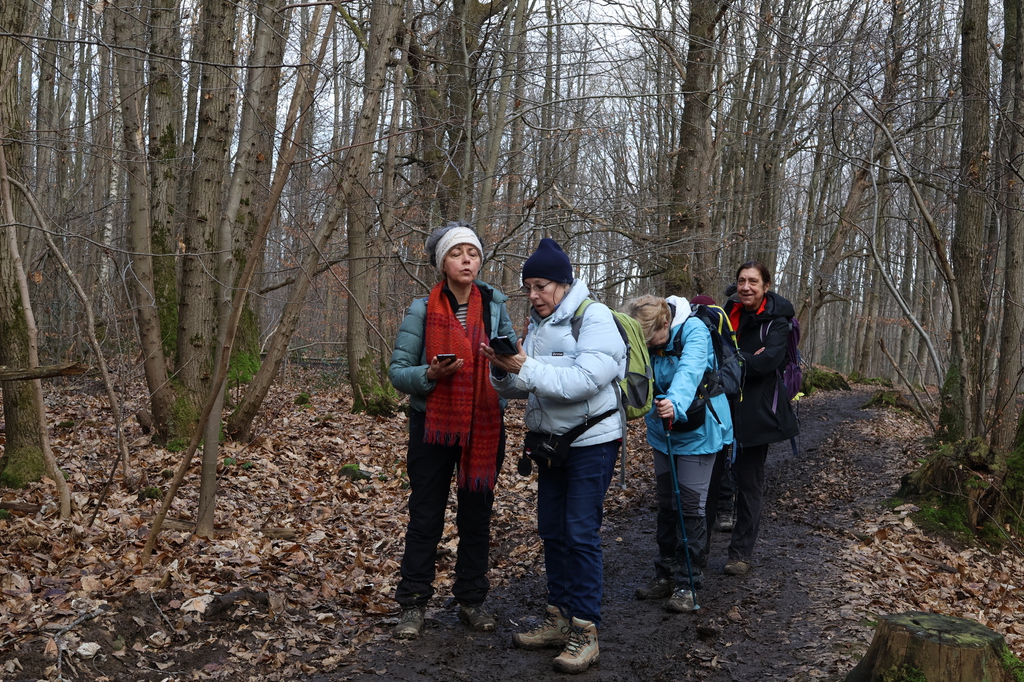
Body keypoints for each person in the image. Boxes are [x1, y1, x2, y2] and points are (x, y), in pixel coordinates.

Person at [480, 238, 625, 675]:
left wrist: (523, 367)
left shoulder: (594, 318)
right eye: (528, 287)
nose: (533, 295)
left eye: (540, 286)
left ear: (563, 283)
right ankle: (559, 618)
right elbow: (527, 385)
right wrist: (501, 369)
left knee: (579, 532)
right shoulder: (538, 324)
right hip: (550, 444)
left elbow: (583, 380)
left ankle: (585, 630)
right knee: (552, 531)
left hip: (592, 442)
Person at [388, 222, 516, 639]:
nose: (466, 260)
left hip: (484, 425)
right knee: (426, 515)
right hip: (432, 426)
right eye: (457, 253)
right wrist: (429, 374)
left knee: (477, 516)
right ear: (442, 262)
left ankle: (472, 600)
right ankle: (413, 604)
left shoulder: (495, 305)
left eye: (472, 253)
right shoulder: (422, 308)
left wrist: (503, 367)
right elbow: (397, 372)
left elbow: (515, 366)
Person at [625, 294, 733, 612]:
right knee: (666, 505)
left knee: (690, 507)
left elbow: (690, 371)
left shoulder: (694, 330)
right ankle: (665, 573)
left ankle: (689, 583)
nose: (647, 346)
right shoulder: (644, 336)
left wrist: (674, 401)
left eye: (650, 339)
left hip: (699, 429)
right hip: (662, 432)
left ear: (665, 323)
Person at [721, 261, 799, 576]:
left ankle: (740, 553)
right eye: (741, 280)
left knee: (749, 483)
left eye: (753, 281)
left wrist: (734, 360)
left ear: (766, 286)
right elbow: (714, 354)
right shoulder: (727, 314)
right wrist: (746, 359)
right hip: (721, 406)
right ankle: (697, 553)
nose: (746, 287)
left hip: (758, 410)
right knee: (714, 481)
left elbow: (768, 361)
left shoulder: (778, 321)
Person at [690, 293, 736, 534]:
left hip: (711, 406)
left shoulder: (700, 331)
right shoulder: (722, 328)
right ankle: (723, 510)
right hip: (723, 405)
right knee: (721, 462)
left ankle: (717, 511)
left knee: (715, 462)